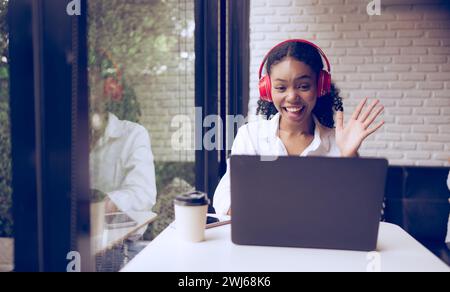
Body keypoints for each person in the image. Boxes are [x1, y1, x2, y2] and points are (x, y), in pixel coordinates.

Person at [213, 39, 385, 215]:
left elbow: (367, 211)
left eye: (303, 86)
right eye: (281, 87)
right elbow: (224, 197)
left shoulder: (337, 143)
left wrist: (350, 159)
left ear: (320, 86)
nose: (292, 96)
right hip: (263, 239)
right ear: (267, 90)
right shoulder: (250, 135)